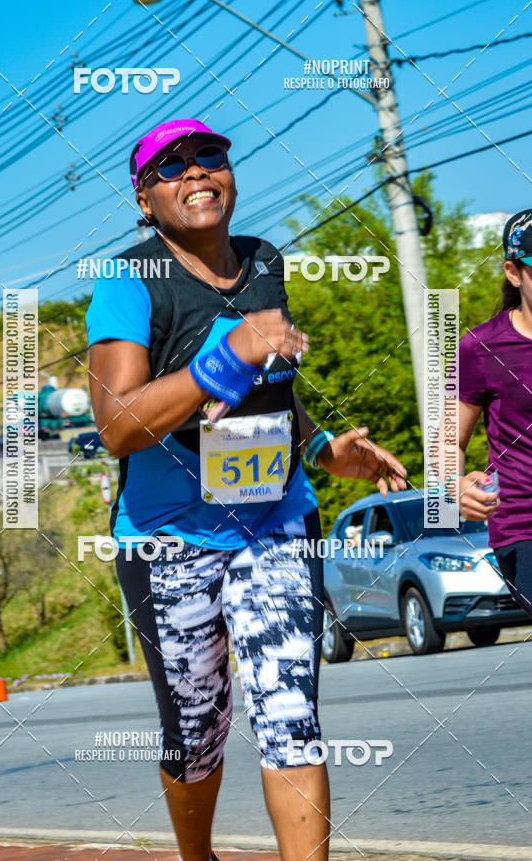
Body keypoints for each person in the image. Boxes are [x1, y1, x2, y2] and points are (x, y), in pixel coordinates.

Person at [85, 118, 407, 861]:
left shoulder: (264, 262)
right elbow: (118, 424)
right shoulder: (129, 281)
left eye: (210, 156)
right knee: (197, 735)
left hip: (275, 524)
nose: (196, 172)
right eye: (171, 167)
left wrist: (322, 449)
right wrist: (222, 359)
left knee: (291, 719)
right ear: (144, 200)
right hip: (169, 538)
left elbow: (272, 391)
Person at [454, 209, 532, 614]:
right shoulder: (481, 348)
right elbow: (449, 441)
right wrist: (455, 488)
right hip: (523, 527)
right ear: (514, 272)